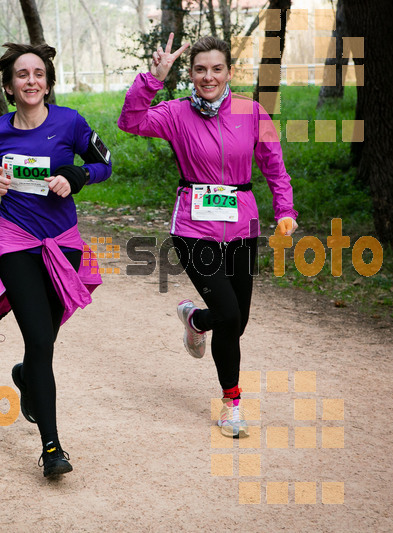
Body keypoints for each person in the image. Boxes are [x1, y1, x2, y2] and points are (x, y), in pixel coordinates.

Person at [118, 34, 298, 438]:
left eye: (217, 69)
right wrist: (152, 79)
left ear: (229, 72)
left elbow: (274, 167)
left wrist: (285, 210)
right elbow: (130, 121)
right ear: (191, 74)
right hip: (193, 227)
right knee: (230, 317)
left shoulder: (251, 112)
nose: (208, 76)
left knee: (237, 320)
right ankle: (232, 403)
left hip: (242, 225)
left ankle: (196, 319)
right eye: (200, 69)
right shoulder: (176, 113)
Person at [0, 43, 112, 477]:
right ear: (10, 86)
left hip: (62, 244)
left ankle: (27, 377)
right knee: (38, 341)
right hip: (14, 243)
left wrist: (77, 174)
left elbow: (104, 162)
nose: (30, 81)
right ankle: (52, 449)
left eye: (37, 74)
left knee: (43, 344)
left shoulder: (70, 121)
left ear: (47, 82)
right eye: (21, 75)